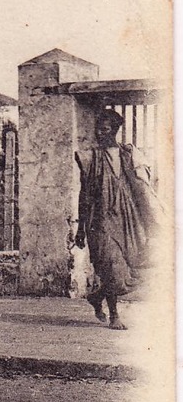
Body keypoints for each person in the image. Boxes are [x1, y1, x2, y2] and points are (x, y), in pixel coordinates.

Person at [76, 108, 155, 330]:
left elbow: (142, 186)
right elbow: (84, 195)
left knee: (133, 269)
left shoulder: (127, 155)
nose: (100, 134)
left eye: (105, 130)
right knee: (112, 269)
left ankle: (96, 297)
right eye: (98, 130)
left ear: (115, 130)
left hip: (127, 219)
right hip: (100, 220)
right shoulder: (90, 157)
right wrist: (80, 229)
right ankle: (114, 315)